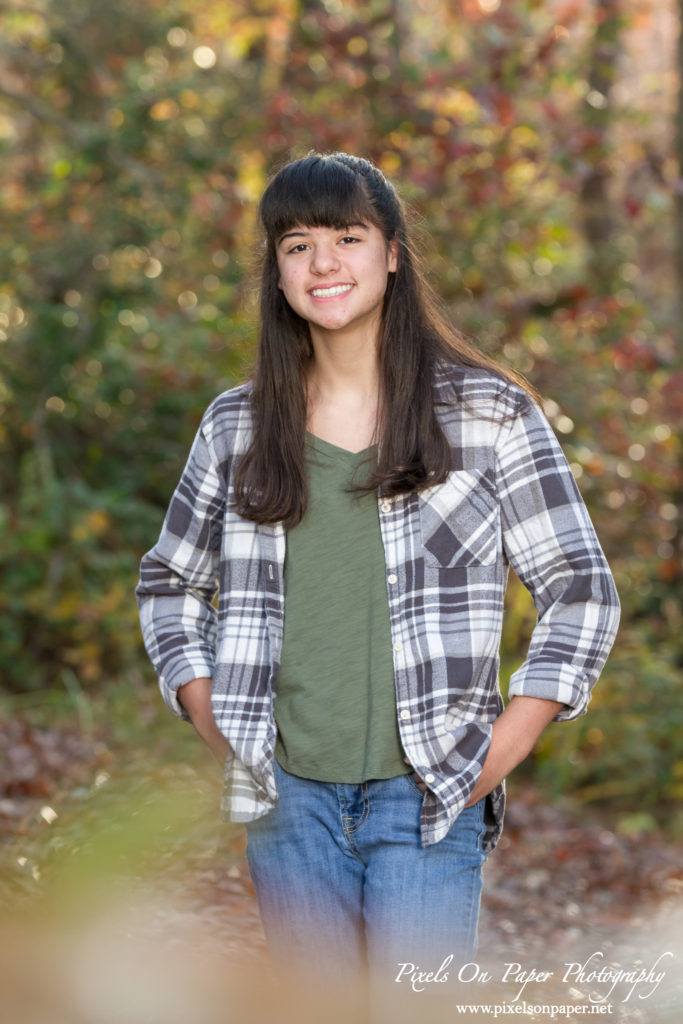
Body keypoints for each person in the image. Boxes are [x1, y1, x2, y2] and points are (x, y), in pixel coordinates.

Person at [135, 151, 620, 1011]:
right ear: (275, 271)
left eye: (347, 237)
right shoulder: (234, 427)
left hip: (430, 798)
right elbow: (170, 582)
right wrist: (212, 714)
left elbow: (579, 587)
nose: (322, 263)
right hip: (289, 802)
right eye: (296, 244)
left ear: (392, 252)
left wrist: (496, 752)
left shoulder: (488, 417)